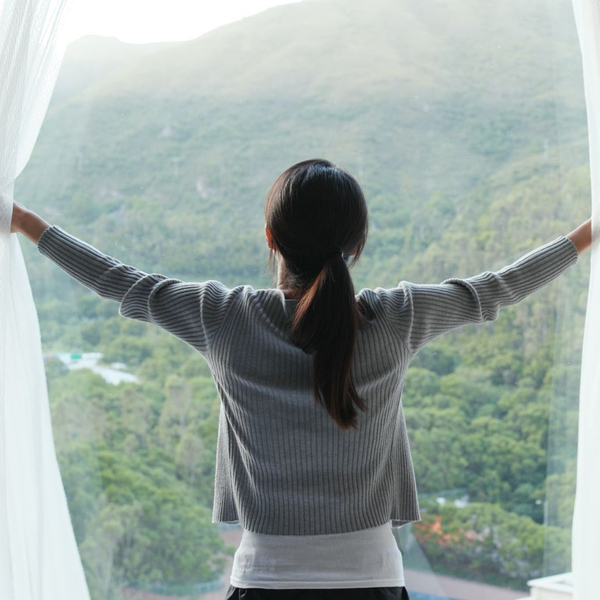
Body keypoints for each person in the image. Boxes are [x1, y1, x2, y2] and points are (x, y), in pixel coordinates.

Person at [9, 158, 593, 600]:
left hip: (264, 582)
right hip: (374, 582)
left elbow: (122, 282)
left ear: (271, 239)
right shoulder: (397, 319)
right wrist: (587, 233)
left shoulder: (225, 318)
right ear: (356, 245)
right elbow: (498, 288)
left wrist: (26, 222)